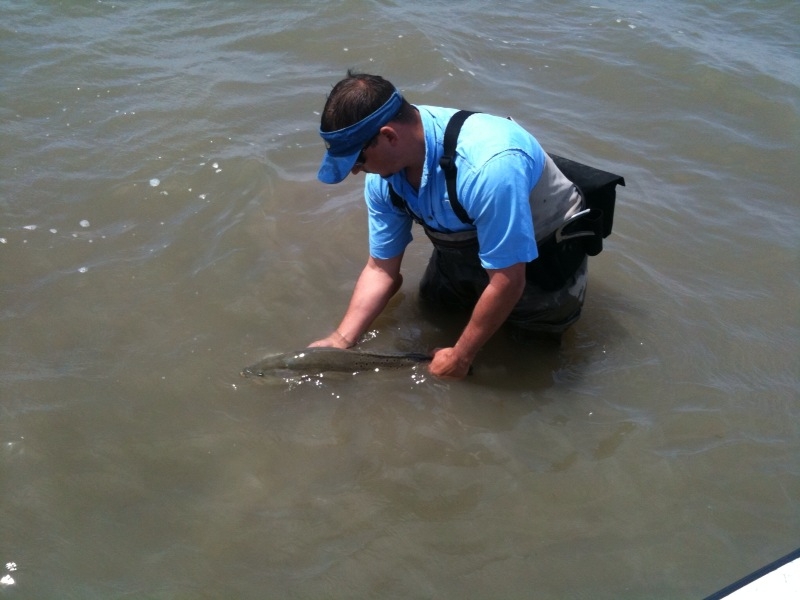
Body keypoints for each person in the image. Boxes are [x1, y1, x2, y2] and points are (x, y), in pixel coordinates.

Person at [308, 71, 599, 379]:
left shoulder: (489, 167)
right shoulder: (384, 178)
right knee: (433, 314)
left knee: (527, 360)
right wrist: (340, 340)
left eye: (357, 160)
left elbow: (508, 281)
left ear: (389, 136)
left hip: (543, 254)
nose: (355, 172)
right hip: (465, 243)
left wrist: (461, 355)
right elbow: (381, 270)